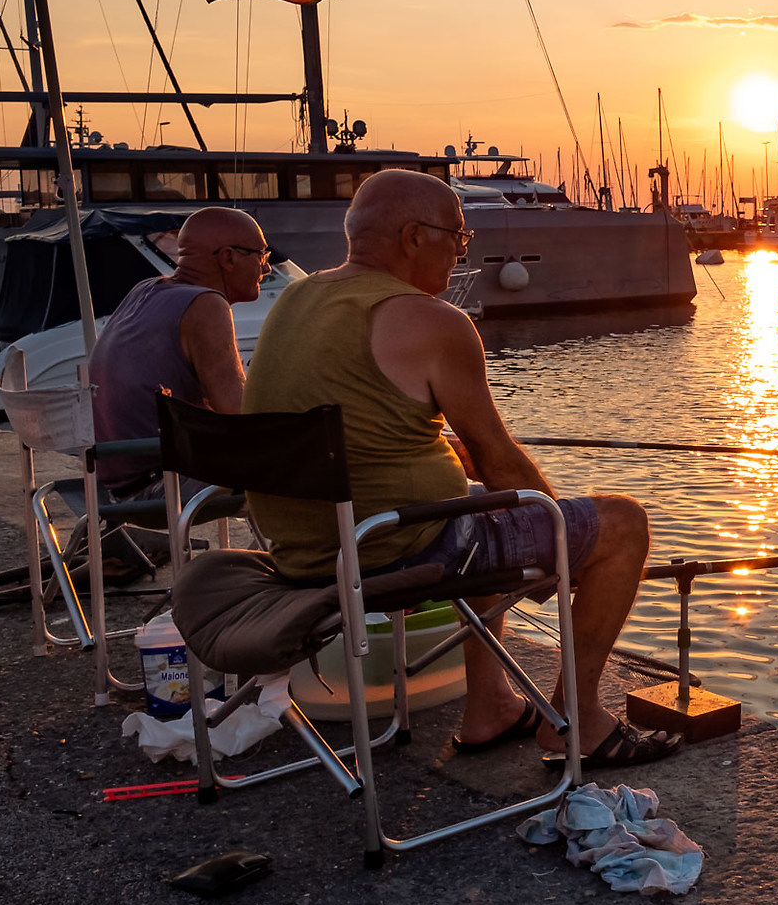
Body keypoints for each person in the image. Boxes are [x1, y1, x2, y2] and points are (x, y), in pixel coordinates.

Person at [243, 168, 672, 765]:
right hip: (392, 549)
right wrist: (561, 544)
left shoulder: (297, 296)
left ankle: (490, 704)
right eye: (459, 237)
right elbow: (499, 459)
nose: (462, 252)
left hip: (305, 546)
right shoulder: (434, 321)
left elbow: (373, 422)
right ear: (415, 236)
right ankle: (576, 720)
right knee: (621, 523)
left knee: (485, 510)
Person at [91, 206, 269, 494]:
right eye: (261, 255)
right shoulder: (206, 304)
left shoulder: (146, 289)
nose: (267, 268)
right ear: (228, 258)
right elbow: (239, 415)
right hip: (162, 484)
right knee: (315, 457)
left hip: (109, 484)